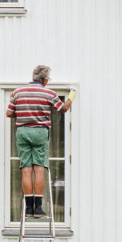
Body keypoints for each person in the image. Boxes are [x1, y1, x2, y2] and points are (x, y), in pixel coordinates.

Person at [6, 65, 76, 217]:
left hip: (23, 131)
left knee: (26, 169)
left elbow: (9, 113)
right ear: (45, 80)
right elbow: (63, 109)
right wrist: (72, 95)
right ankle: (37, 209)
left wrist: (24, 114)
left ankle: (27, 208)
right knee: (38, 168)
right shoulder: (49, 93)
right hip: (40, 131)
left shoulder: (17, 92)